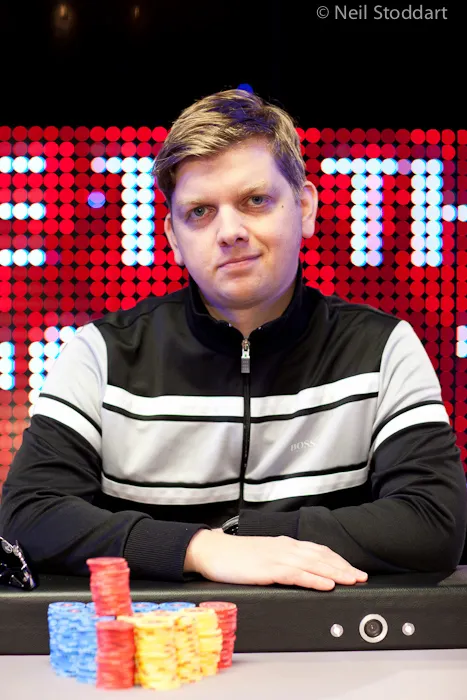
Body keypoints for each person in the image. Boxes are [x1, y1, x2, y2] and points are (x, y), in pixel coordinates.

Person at [0, 89, 466, 592]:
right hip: (156, 640)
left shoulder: (384, 348)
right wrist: (202, 549)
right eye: (200, 212)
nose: (230, 231)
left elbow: (433, 522)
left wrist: (252, 536)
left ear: (305, 208)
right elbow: (27, 516)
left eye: (255, 201)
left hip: (326, 633)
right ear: (173, 237)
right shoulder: (99, 354)